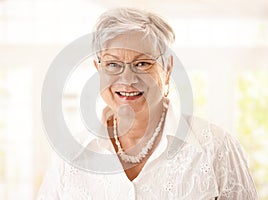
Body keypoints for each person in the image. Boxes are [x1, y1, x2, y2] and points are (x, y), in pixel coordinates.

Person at [37, 8, 258, 199]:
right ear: (98, 69)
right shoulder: (70, 156)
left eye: (142, 63)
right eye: (113, 65)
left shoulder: (215, 147)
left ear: (168, 68)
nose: (127, 79)